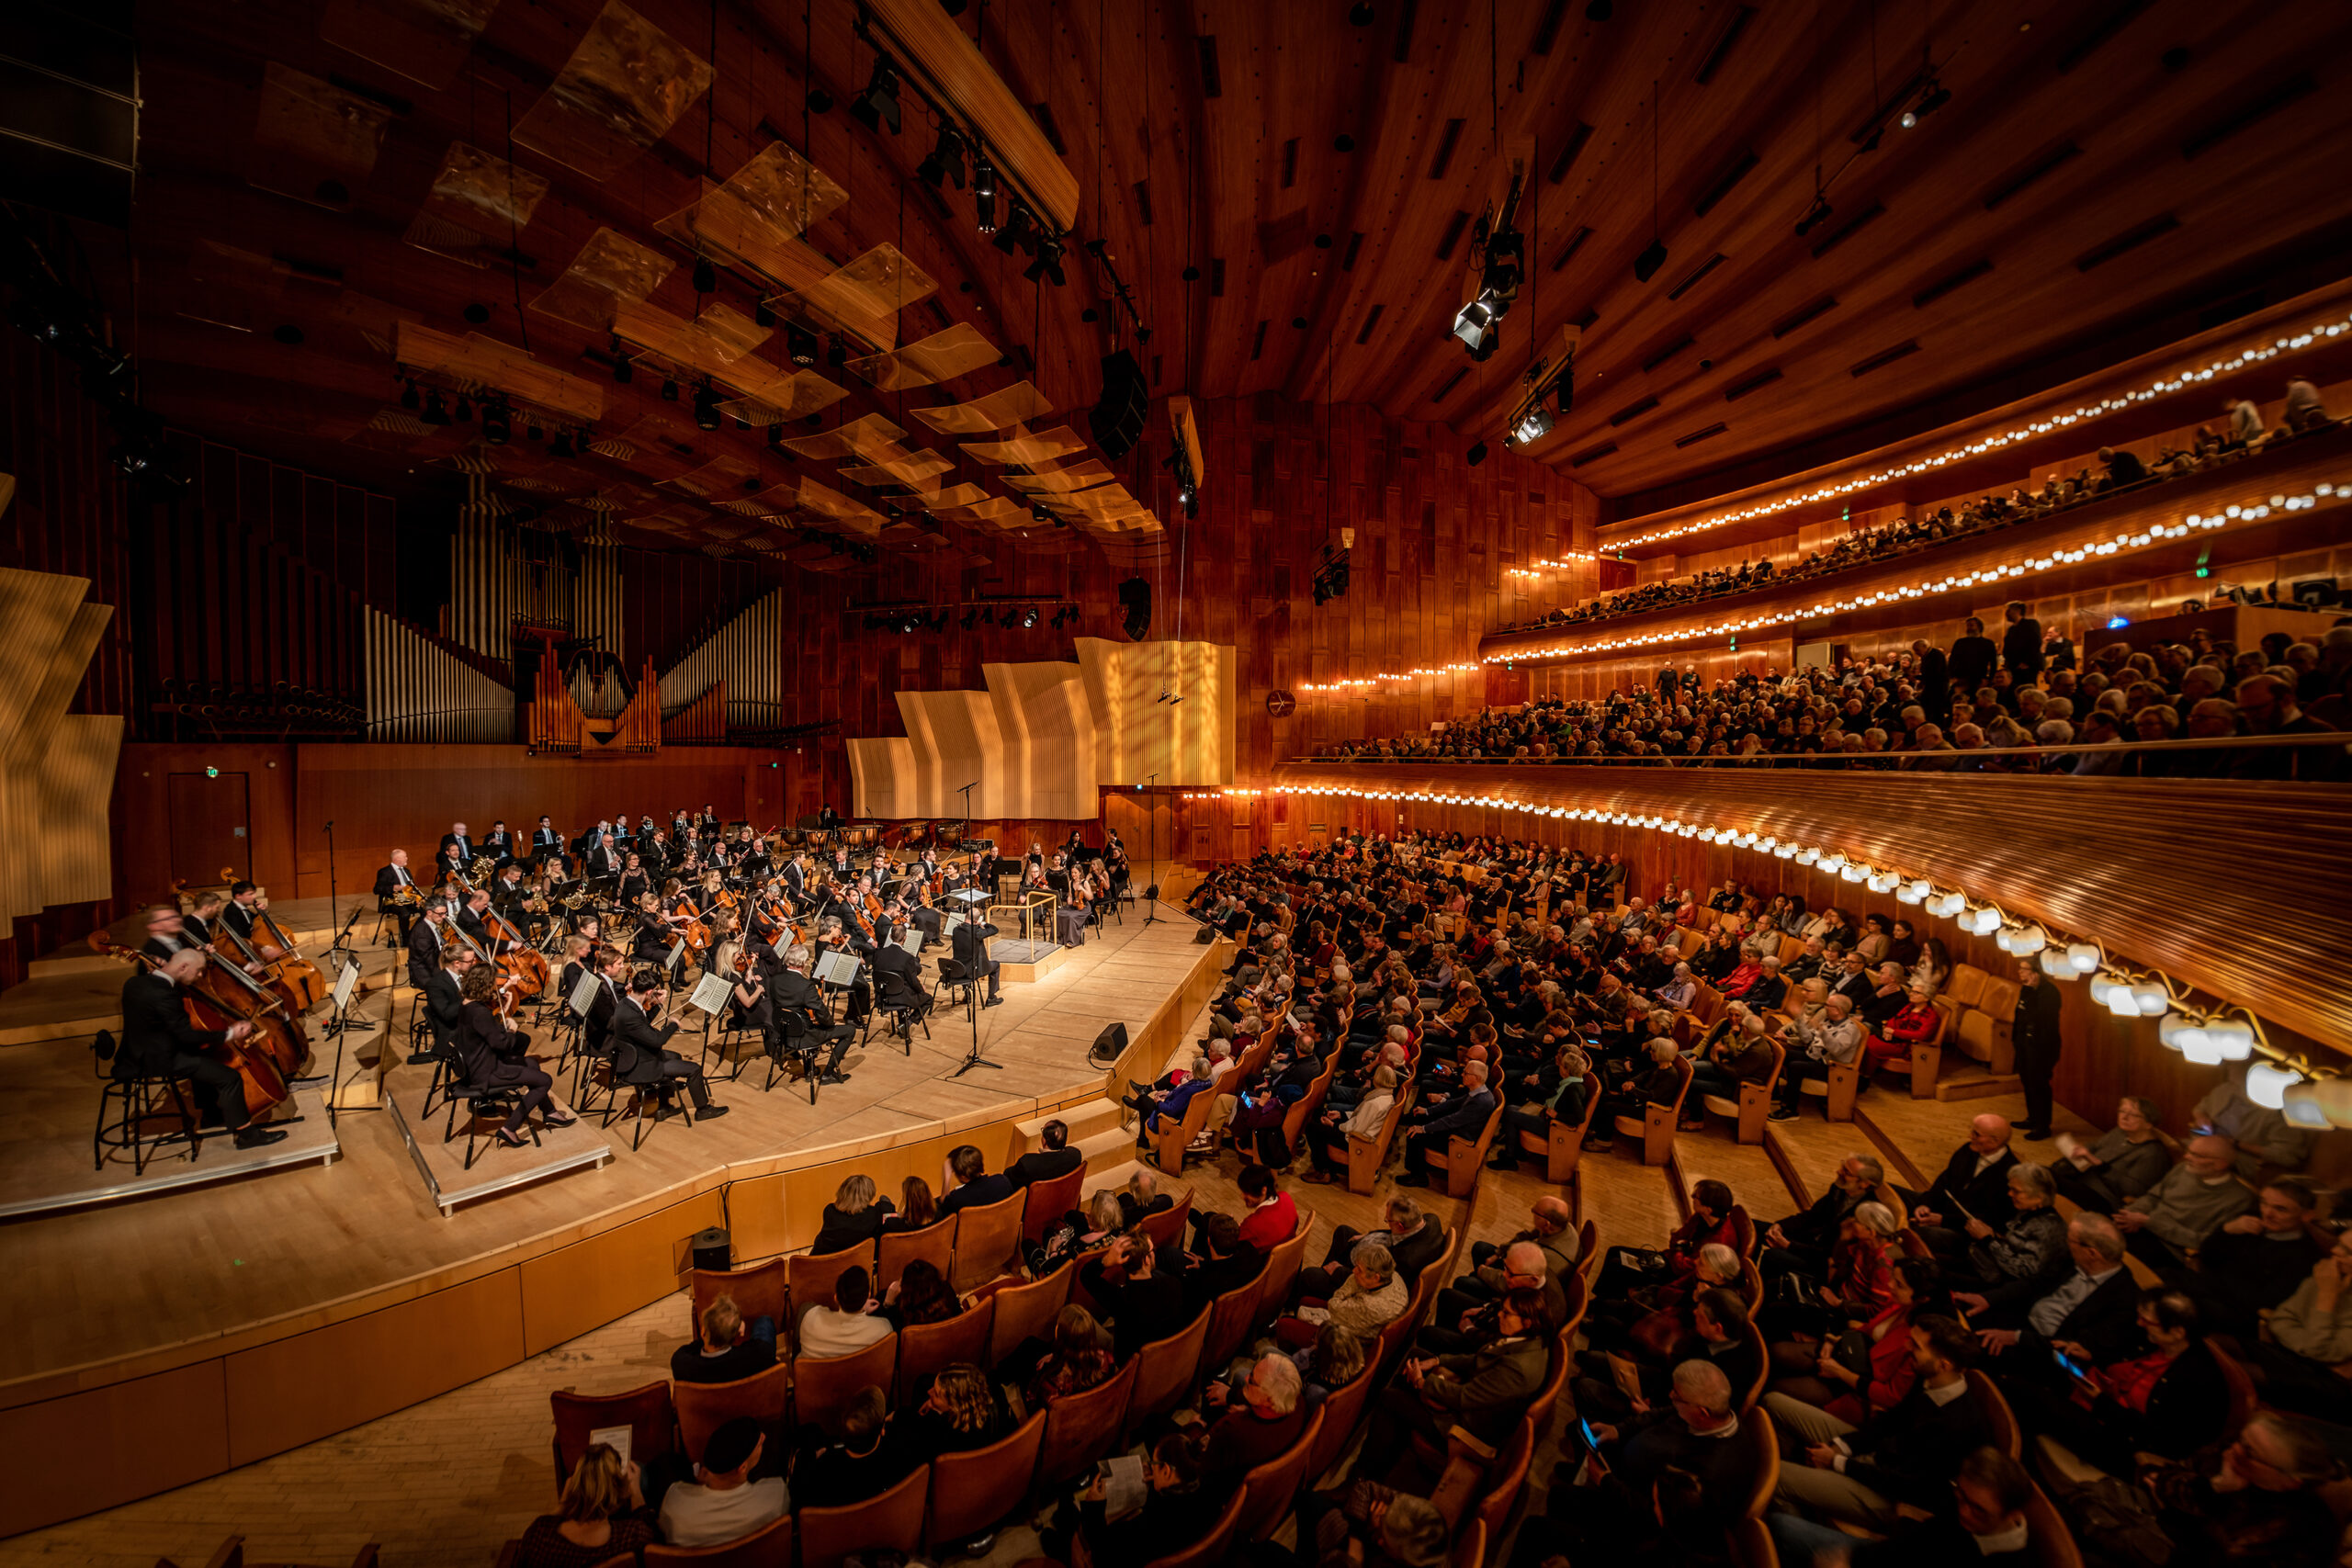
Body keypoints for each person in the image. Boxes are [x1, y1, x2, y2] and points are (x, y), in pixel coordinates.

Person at [1765, 1314, 1991, 1529]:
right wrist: (1840, 1446)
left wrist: (1836, 1461)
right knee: (1773, 1402)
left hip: (1890, 1495)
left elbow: (1905, 1483)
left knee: (1775, 1476)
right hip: (1878, 1458)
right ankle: (1803, 1484)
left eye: (1916, 1346)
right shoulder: (1930, 1378)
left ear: (1944, 1365)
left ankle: (1791, 1527)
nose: (1906, 1347)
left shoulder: (1957, 1426)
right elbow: (1888, 1423)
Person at [2000, 1288, 2226, 1474]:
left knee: (2020, 1392)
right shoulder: (2153, 1340)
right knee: (2030, 1362)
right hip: (2099, 1396)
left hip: (2121, 1441)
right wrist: (2090, 1354)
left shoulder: (2200, 1381)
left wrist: (2100, 1402)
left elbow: (2159, 1437)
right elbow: (2117, 1359)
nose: (2139, 1323)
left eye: (2147, 1320)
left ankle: (2014, 1467)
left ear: (2177, 1332)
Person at [119, 948, 288, 1150]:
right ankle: (247, 1135)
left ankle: (212, 1114)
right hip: (159, 1059)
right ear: (183, 967)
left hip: (132, 1055)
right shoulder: (166, 995)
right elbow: (186, 1036)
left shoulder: (134, 984)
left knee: (208, 1057)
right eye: (198, 971)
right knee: (230, 1077)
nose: (200, 975)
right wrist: (229, 1034)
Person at [1766, 1446, 2036, 1568]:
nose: (1963, 1511)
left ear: (2012, 1514)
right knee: (1779, 1526)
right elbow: (1914, 1544)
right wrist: (1852, 1557)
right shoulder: (1964, 1510)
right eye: (1960, 1495)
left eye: (1978, 1509)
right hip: (1880, 1554)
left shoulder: (2009, 1561)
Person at [2134, 1411, 2343, 1567]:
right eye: (2240, 1440)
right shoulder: (2231, 1454)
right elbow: (2157, 1475)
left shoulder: (2301, 1531)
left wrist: (2201, 1500)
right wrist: (2215, 1487)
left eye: (2249, 1452)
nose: (2233, 1449)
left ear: (2289, 1481)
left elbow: (2207, 1557)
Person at [1062, 1430, 1224, 1568]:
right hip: (1190, 1551)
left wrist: (1094, 1506)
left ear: (1166, 1471)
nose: (1150, 1466)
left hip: (1122, 1557)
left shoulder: (1153, 1524)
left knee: (1067, 1517)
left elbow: (1103, 1550)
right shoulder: (1209, 1490)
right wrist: (1157, 1484)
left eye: (1154, 1463)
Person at [2188, 1176, 2327, 1332]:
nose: (2267, 1213)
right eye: (2264, 1203)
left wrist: (2217, 1279)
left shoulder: (2304, 1256)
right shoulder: (2251, 1219)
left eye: (2280, 1209)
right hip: (2204, 1289)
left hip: (2234, 1314)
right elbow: (2207, 1255)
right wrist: (2227, 1230)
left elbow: (2261, 1301)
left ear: (2306, 1215)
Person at [2113, 1134, 2256, 1278]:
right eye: (2189, 1151)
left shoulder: (2238, 1199)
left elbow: (2206, 1241)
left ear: (2220, 1164)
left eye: (2196, 1155)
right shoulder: (2183, 1169)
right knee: (2103, 1232)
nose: (2186, 1157)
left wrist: (2150, 1222)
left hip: (2170, 1248)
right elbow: (2153, 1197)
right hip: (2142, 1226)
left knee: (2110, 1258)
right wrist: (2129, 1214)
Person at [2245, 1228, 2352, 1416]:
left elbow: (2320, 1352)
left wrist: (2327, 1295)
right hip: (2295, 1355)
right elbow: (2280, 1319)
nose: (2334, 1250)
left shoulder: (2329, 1281)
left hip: (2330, 1382)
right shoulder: (2329, 1273)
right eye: (2338, 1244)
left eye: (2347, 1251)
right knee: (2216, 1345)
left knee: (2236, 1371)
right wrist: (2304, 1345)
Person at [454, 964, 565, 1145]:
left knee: (532, 1064)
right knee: (545, 1080)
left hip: (476, 1064)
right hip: (486, 1071)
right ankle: (509, 1128)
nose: (494, 987)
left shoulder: (466, 1005)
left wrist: (504, 1011)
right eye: (492, 983)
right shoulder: (479, 1012)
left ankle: (550, 1112)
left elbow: (486, 1031)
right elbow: (502, 1044)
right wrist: (512, 1029)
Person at [607, 970, 725, 1122]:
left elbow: (642, 1024)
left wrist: (657, 1004)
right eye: (654, 991)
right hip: (639, 1066)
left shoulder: (626, 1003)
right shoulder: (630, 1015)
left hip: (636, 1055)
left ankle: (664, 1107)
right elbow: (657, 1041)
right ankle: (703, 1110)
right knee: (694, 1069)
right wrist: (673, 1025)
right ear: (649, 991)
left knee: (675, 1056)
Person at [1898, 1113, 2018, 1260]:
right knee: (1888, 1191)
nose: (1970, 1136)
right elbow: (1944, 1181)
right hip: (1941, 1210)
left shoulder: (2010, 1174)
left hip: (1962, 1230)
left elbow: (1989, 1219)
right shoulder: (1968, 1150)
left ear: (1995, 1141)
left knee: (1912, 1233)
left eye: (1976, 1134)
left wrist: (1943, 1220)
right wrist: (1925, 1204)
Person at [515, 1443, 655, 1568]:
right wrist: (636, 1492)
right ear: (619, 1490)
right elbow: (655, 1550)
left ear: (573, 1487)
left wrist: (564, 1504)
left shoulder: (539, 1533)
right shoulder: (631, 1537)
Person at [657, 1416, 788, 1548]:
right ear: (742, 1468)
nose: (764, 1437)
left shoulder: (673, 1505)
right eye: (759, 1443)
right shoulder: (776, 1496)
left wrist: (700, 1485)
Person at [794, 1384, 917, 1506]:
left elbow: (797, 1494)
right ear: (882, 1430)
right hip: (886, 1514)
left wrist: (804, 1458)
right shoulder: (902, 1455)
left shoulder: (823, 1469)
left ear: (843, 1432)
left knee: (811, 1431)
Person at [2048, 1096, 2174, 1212]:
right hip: (2084, 1178)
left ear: (2148, 1124)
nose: (2124, 1117)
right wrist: (2079, 1149)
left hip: (2104, 1196)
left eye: (2133, 1115)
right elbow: (2095, 1146)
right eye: (2122, 1111)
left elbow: (2133, 1191)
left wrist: (2098, 1164)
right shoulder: (2119, 1132)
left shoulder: (2153, 1153)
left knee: (2047, 1181)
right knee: (2044, 1176)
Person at [1199, 1351, 1308, 1478]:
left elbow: (1202, 1463)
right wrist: (1232, 1396)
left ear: (1268, 1400)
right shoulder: (1297, 1400)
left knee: (1210, 1388)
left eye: (1251, 1380)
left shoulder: (1232, 1430)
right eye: (1252, 1372)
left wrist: (1196, 1426)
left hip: (1226, 1472)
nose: (1246, 1378)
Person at [1080, 1234, 1188, 1359]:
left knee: (1074, 1315)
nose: (1155, 1253)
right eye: (1152, 1251)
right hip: (1171, 1355)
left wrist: (1106, 1261)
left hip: (1131, 1362)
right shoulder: (1173, 1284)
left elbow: (1086, 1275)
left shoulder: (1121, 1300)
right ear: (1146, 1260)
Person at [672, 1293, 776, 1385]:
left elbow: (685, 1350)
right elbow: (764, 1328)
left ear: (703, 1332)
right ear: (735, 1336)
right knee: (765, 1320)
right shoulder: (757, 1355)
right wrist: (733, 1329)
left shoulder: (681, 1364)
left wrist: (710, 1334)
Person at [2009, 960, 2064, 1138]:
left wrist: (2030, 991)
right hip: (2024, 1043)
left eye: (2024, 969)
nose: (2020, 972)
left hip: (2042, 1046)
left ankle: (2043, 1126)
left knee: (2039, 1084)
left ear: (2036, 972)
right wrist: (2016, 1039)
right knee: (2027, 1082)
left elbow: (2038, 1017)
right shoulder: (2026, 988)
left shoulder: (2050, 993)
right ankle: (2032, 1118)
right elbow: (2020, 1014)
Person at [798, 1266, 893, 1358]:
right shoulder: (884, 1330)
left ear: (836, 1299)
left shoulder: (810, 1320)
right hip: (862, 1369)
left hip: (816, 1369)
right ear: (868, 1295)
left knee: (805, 1307)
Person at [811, 1173, 896, 1256]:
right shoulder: (873, 1214)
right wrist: (885, 1205)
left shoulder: (829, 1210)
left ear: (842, 1192)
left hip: (823, 1261)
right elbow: (890, 1223)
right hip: (857, 1262)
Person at [936, 1144, 1014, 1218]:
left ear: (963, 1176)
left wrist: (947, 1178)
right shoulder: (1002, 1181)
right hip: (1004, 1226)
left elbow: (944, 1214)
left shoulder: (955, 1199)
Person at [950, 908, 1002, 1006]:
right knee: (996, 965)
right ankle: (991, 998)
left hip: (958, 969)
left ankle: (967, 996)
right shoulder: (977, 932)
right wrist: (982, 923)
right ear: (976, 920)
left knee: (965, 960)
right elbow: (994, 929)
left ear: (965, 916)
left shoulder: (956, 930)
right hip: (973, 971)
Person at [1008, 1119, 1084, 1186]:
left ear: (1044, 1141)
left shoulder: (1027, 1164)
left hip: (1038, 1198)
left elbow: (1008, 1177)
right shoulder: (1075, 1155)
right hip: (1066, 1196)